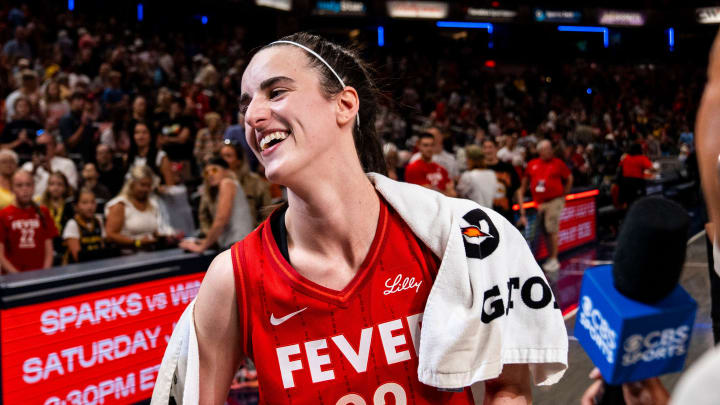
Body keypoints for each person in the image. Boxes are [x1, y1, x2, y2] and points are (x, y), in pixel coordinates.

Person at [154, 32, 567, 405]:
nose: (252, 116)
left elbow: (508, 388)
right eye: (246, 104)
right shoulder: (234, 277)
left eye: (275, 92)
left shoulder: (460, 236)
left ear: (345, 104)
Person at [518, 139, 573, 272]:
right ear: (540, 151)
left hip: (554, 200)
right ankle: (551, 257)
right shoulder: (532, 164)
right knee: (545, 230)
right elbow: (524, 185)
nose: (550, 151)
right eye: (547, 148)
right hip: (540, 203)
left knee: (551, 228)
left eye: (550, 148)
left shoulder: (558, 163)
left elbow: (569, 178)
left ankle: (554, 259)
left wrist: (563, 194)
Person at [179, 157, 253, 253]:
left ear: (226, 171)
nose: (210, 175)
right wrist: (205, 241)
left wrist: (202, 247)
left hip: (238, 246)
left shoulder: (226, 183)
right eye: (206, 173)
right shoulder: (225, 187)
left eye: (214, 170)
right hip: (237, 245)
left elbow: (221, 219)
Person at [105, 165, 177, 252]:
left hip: (152, 254)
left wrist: (166, 236)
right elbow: (110, 235)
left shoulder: (152, 204)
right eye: (142, 185)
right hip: (126, 257)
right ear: (132, 184)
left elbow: (152, 231)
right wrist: (138, 242)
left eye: (149, 185)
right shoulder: (120, 205)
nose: (146, 189)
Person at [0, 170, 58, 272]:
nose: (25, 189)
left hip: (40, 275)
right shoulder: (3, 214)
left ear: (34, 187)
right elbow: (1, 255)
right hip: (13, 278)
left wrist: (45, 273)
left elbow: (49, 250)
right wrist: (17, 276)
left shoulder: (43, 212)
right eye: (19, 185)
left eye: (28, 185)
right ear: (12, 188)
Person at [219, 141, 271, 226]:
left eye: (228, 156)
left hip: (251, 232)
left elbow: (266, 211)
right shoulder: (214, 183)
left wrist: (258, 231)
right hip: (221, 236)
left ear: (239, 161)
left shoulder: (255, 181)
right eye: (221, 156)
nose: (223, 161)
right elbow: (204, 215)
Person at [21, 133, 78, 198]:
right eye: (40, 145)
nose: (44, 148)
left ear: (55, 146)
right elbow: (20, 189)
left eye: (47, 144)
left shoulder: (67, 164)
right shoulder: (27, 166)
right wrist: (33, 170)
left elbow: (72, 192)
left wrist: (51, 172)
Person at [35, 171, 74, 262]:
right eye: (52, 184)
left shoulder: (70, 207)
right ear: (47, 187)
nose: (55, 188)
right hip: (46, 246)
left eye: (60, 184)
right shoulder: (40, 206)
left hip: (64, 246)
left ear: (65, 187)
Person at [63, 187, 107, 263]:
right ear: (76, 206)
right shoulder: (72, 224)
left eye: (93, 202)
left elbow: (103, 249)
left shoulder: (99, 221)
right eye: (84, 203)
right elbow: (78, 257)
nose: (90, 207)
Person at [405, 132, 457, 196]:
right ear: (419, 146)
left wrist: (439, 191)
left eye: (432, 145)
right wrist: (446, 192)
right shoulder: (413, 168)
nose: (429, 149)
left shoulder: (441, 168)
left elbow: (453, 193)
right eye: (425, 145)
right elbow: (427, 195)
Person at [483, 137, 522, 223]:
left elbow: (518, 190)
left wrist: (522, 214)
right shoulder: (478, 170)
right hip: (485, 218)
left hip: (506, 216)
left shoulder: (507, 167)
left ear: (496, 149)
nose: (488, 150)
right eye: (485, 148)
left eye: (490, 147)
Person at [59, 91, 96, 162]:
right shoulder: (66, 119)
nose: (82, 102)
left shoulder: (86, 118)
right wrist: (82, 126)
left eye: (83, 100)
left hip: (89, 155)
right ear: (71, 102)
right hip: (75, 157)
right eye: (78, 99)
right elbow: (70, 143)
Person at [618, 143, 656, 209]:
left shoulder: (626, 158)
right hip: (636, 184)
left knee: (630, 202)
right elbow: (652, 169)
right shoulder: (642, 158)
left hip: (624, 185)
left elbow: (620, 166)